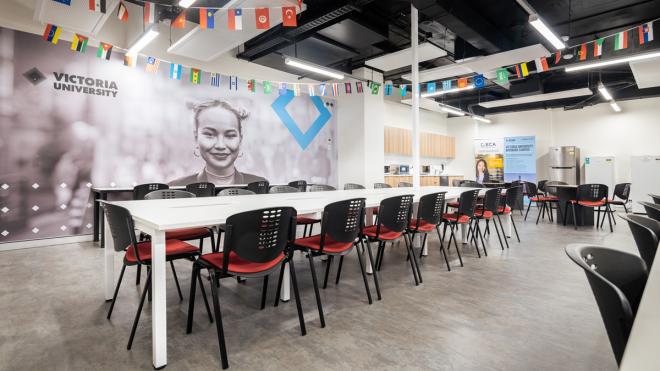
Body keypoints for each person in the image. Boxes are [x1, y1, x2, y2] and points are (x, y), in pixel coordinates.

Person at [169, 100, 266, 186]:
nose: (220, 145)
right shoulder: (176, 188)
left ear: (240, 140)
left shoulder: (259, 185)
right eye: (210, 134)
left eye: (230, 135)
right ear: (196, 138)